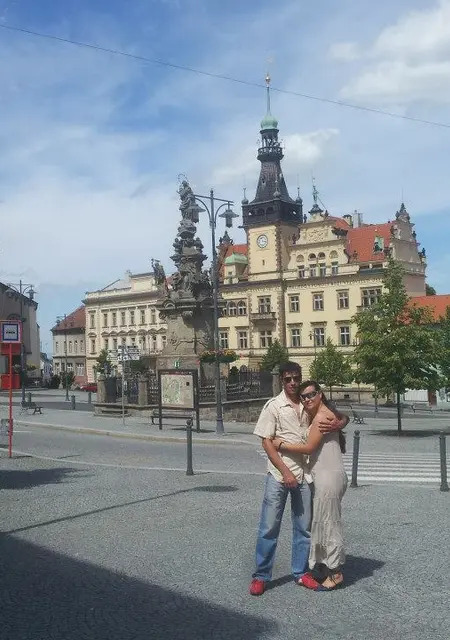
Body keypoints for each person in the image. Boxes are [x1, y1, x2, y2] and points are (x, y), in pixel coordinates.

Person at [249, 363, 348, 596]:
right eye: (288, 379)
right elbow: (266, 442)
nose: (292, 382)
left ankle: (301, 572)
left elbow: (334, 413)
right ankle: (261, 576)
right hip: (279, 475)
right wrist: (285, 471)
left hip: (304, 476)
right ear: (281, 381)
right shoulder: (274, 406)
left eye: (296, 378)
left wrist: (341, 421)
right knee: (269, 527)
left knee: (304, 529)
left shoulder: (308, 404)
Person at [273, 380, 348, 591]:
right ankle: (324, 566)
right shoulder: (318, 413)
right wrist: (343, 420)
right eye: (304, 396)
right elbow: (342, 416)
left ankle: (336, 573)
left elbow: (309, 448)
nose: (307, 399)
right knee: (322, 522)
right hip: (324, 475)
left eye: (311, 394)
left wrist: (281, 445)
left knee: (329, 523)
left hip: (328, 476)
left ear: (320, 394)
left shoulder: (322, 416)